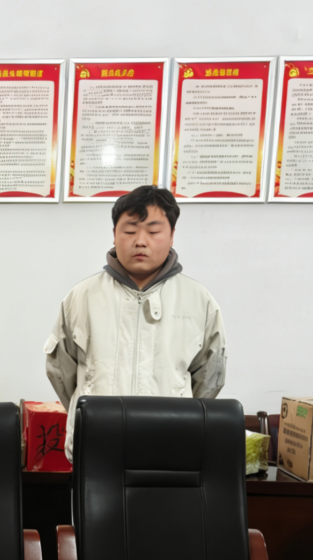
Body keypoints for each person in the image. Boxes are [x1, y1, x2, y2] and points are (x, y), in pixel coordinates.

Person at [45, 185, 227, 460]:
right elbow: (61, 371)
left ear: (172, 235)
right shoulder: (82, 297)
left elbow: (210, 377)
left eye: (153, 232)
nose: (140, 241)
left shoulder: (199, 301)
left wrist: (183, 416)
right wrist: (86, 409)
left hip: (171, 446)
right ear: (114, 234)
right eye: (130, 231)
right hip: (96, 446)